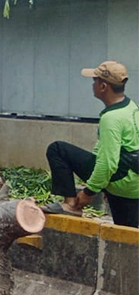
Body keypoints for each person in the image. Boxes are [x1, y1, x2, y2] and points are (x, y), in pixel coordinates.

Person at [42, 61, 138, 228]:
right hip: (133, 183)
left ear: (103, 86)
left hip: (120, 179)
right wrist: (103, 184)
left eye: (94, 80)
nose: (92, 84)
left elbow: (107, 163)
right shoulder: (131, 107)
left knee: (58, 149)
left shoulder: (112, 118)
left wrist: (89, 192)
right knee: (128, 236)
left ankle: (71, 205)